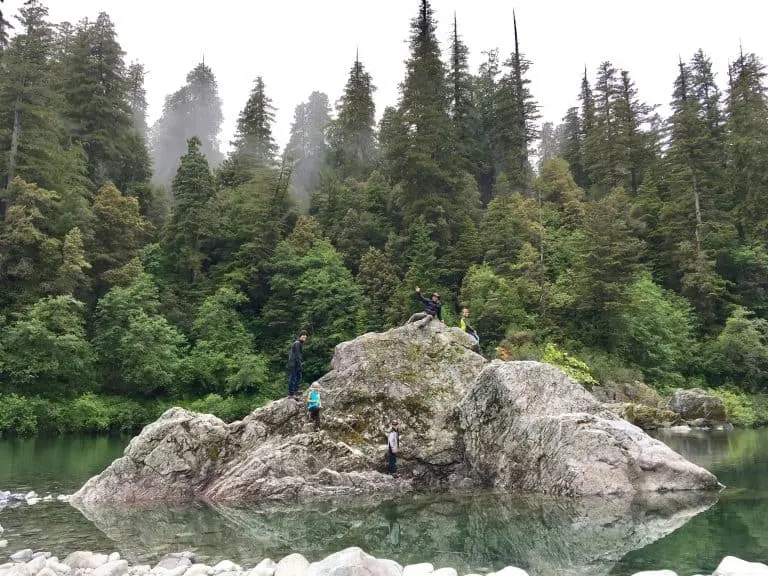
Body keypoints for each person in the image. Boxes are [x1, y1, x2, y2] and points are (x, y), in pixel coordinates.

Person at [287, 330, 308, 401]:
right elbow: (297, 355)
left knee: (299, 377)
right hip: (294, 364)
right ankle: (291, 394)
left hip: (296, 363)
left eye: (305, 336)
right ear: (300, 336)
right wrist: (299, 364)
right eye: (303, 336)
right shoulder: (297, 343)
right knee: (293, 378)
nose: (304, 337)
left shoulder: (300, 343)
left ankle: (295, 391)